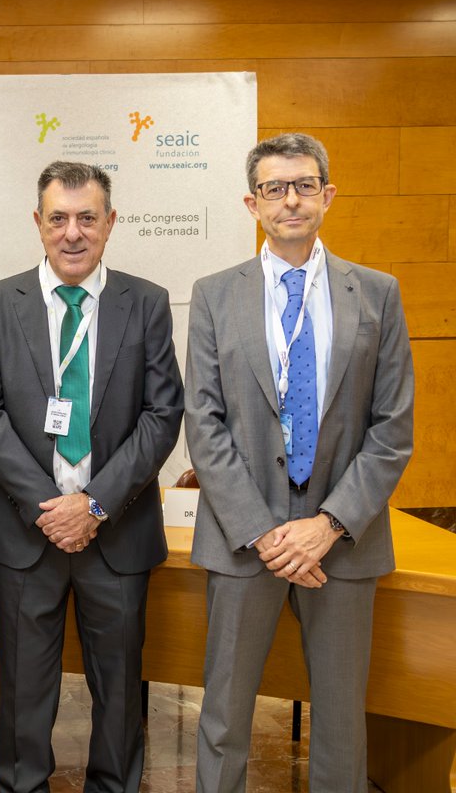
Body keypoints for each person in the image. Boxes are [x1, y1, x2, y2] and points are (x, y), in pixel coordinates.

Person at [187, 133, 414, 791]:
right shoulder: (214, 294)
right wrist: (262, 530)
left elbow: (392, 427)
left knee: (342, 718)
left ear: (327, 195)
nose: (290, 199)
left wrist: (329, 524)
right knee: (225, 712)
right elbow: (203, 421)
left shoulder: (378, 294)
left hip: (343, 542)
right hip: (241, 540)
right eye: (274, 188)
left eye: (304, 185)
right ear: (251, 203)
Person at [0, 161, 183, 793]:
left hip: (116, 533)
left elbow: (161, 415)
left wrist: (93, 505)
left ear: (111, 223)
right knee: (23, 693)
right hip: (24, 535)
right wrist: (49, 507)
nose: (73, 233)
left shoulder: (144, 302)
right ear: (38, 223)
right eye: (58, 218)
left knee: (119, 694)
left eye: (88, 218)